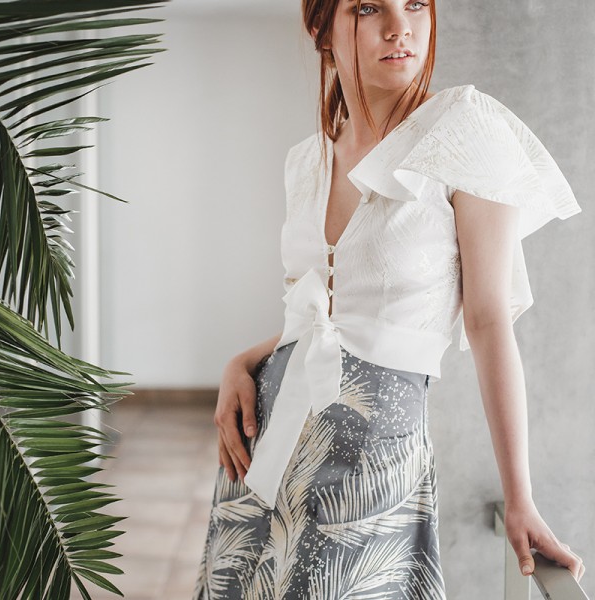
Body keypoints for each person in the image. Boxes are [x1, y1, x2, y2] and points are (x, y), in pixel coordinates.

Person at [193, 0, 586, 597]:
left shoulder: (464, 132)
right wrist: (241, 361)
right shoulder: (307, 160)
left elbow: (487, 322)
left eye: (416, 4)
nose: (400, 26)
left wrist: (520, 498)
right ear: (322, 28)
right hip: (265, 454)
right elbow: (323, 316)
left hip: (371, 470)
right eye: (369, 7)